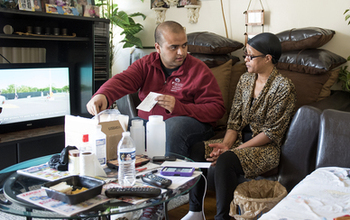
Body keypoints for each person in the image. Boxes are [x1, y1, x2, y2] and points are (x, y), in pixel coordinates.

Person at [182, 32, 297, 220]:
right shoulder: (245, 80)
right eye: (245, 55)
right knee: (196, 150)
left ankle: (222, 217)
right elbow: (234, 120)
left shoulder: (284, 87)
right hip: (238, 143)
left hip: (265, 148)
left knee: (227, 160)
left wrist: (234, 151)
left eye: (250, 56)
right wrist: (226, 145)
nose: (246, 59)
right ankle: (195, 211)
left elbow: (272, 133)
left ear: (268, 59)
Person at [86, 20, 225, 158]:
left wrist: (180, 108)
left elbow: (217, 109)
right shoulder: (146, 64)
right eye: (173, 47)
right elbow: (123, 80)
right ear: (158, 48)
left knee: (173, 127)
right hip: (150, 123)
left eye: (184, 45)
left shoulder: (199, 70)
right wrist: (102, 95)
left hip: (187, 126)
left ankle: (172, 174)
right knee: (127, 125)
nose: (181, 52)